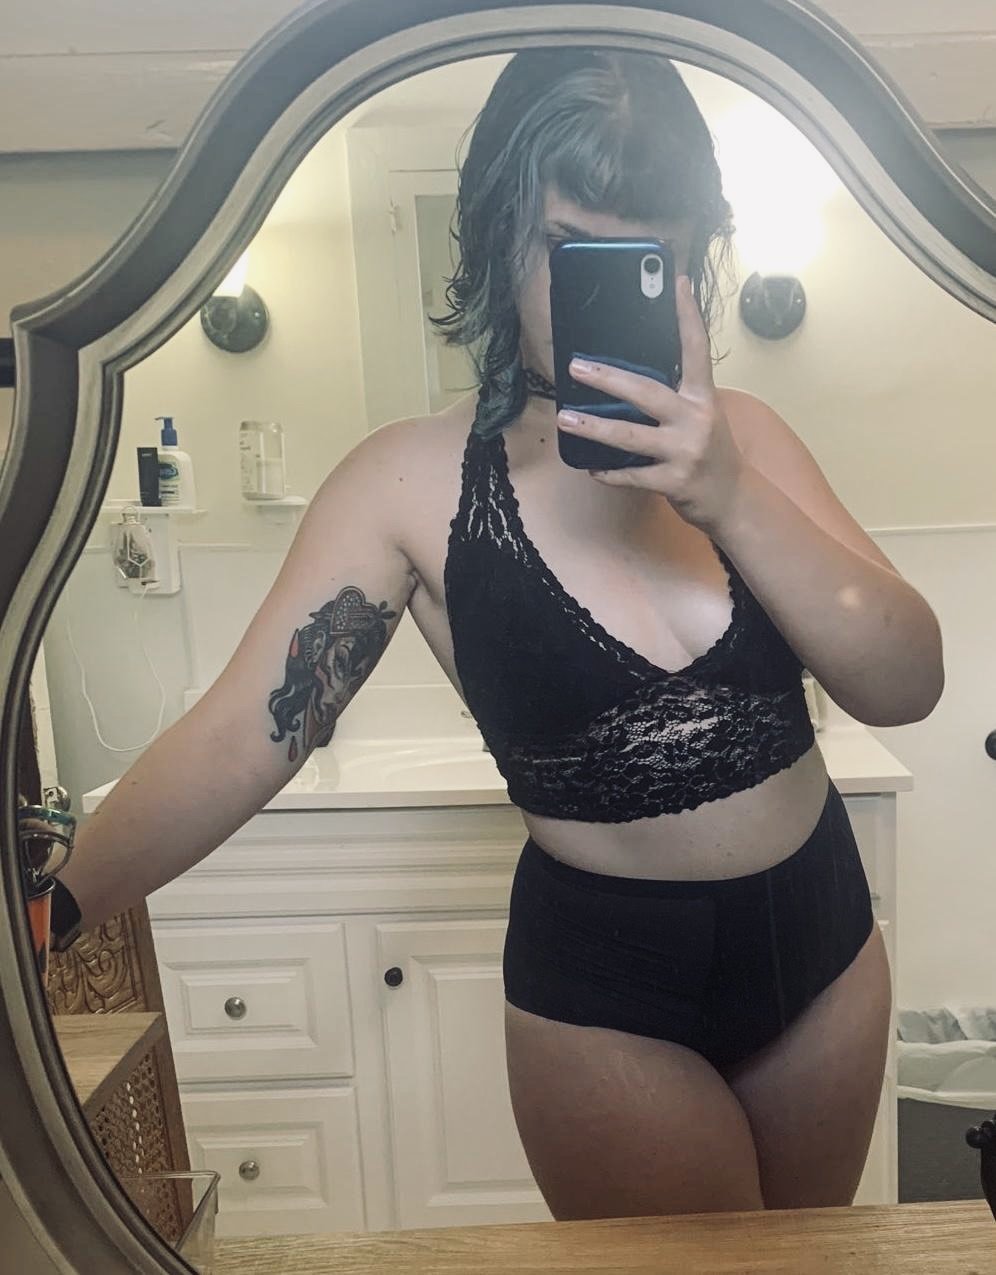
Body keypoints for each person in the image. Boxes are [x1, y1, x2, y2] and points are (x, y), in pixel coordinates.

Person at [57, 49, 943, 1221]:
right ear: (493, 233)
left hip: (824, 949)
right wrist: (48, 911)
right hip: (609, 996)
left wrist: (730, 494)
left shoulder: (755, 442)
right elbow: (239, 736)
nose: (602, 291)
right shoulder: (406, 484)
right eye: (567, 246)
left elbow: (906, 683)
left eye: (650, 255)